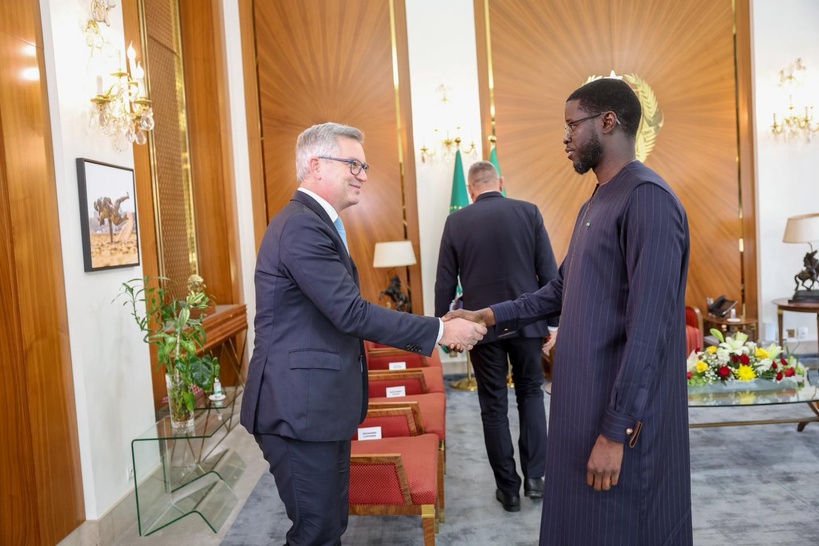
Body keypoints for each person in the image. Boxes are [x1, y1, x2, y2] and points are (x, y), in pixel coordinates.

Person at [446, 78, 693, 545]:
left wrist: (616, 432)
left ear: (607, 121)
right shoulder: (598, 200)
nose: (565, 137)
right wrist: (489, 315)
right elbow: (559, 289)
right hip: (582, 405)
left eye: (572, 125)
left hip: (622, 422)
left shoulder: (648, 200)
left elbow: (650, 330)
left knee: (625, 529)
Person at [240, 122, 486, 546]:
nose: (363, 174)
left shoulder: (317, 222)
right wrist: (440, 328)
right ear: (315, 165)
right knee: (315, 532)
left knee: (331, 525)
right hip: (297, 409)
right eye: (352, 163)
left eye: (364, 165)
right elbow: (349, 312)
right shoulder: (301, 226)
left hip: (319, 408)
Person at [434, 160, 558, 512]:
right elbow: (548, 273)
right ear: (499, 182)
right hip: (528, 322)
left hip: (479, 327)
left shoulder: (456, 221)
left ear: (471, 189)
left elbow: (445, 280)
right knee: (531, 394)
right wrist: (553, 324)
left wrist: (441, 326)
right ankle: (536, 478)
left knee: (493, 407)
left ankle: (508, 490)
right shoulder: (528, 212)